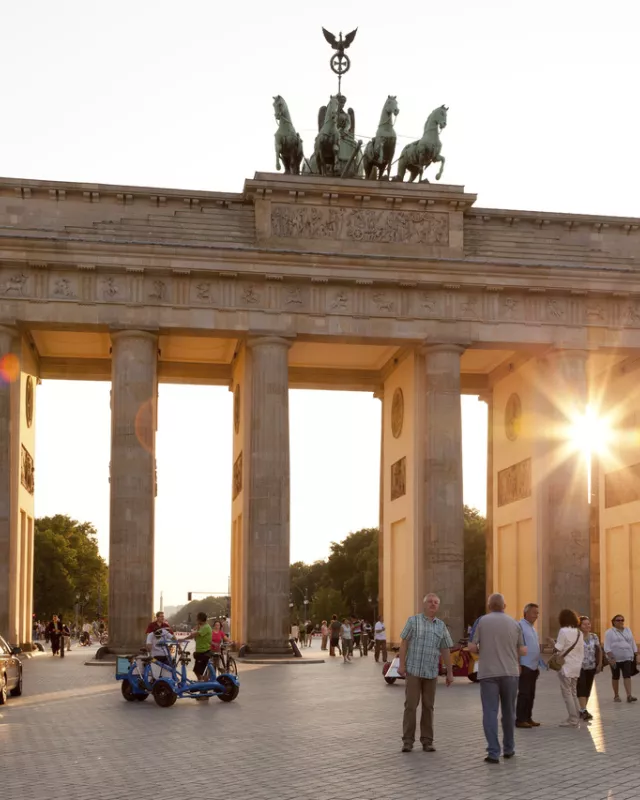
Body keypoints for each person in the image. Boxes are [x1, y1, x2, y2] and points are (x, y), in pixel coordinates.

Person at [469, 593, 526, 763]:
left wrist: (482, 650)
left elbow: (472, 646)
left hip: (488, 673)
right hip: (510, 672)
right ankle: (509, 749)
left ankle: (493, 752)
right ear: (504, 606)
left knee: (490, 712)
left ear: (489, 606)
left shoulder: (481, 621)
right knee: (509, 712)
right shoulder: (515, 624)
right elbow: (523, 650)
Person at [398, 593, 454, 753]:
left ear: (438, 606)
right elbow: (404, 643)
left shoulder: (441, 626)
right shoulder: (413, 621)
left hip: (431, 673)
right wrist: (401, 665)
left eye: (436, 602)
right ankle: (407, 741)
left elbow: (445, 649)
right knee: (410, 705)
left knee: (428, 707)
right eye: (430, 602)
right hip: (414, 670)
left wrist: (450, 672)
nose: (433, 604)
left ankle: (427, 741)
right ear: (424, 605)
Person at [550, 608, 585, 728]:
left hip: (565, 666)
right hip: (576, 666)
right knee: (573, 692)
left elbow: (558, 648)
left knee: (567, 693)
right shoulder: (579, 633)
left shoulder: (563, 631)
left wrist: (551, 643)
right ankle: (576, 716)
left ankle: (573, 718)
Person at [516, 603, 545, 728]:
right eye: (534, 613)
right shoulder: (520, 626)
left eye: (538, 613)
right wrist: (517, 663)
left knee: (531, 694)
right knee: (524, 693)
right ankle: (520, 719)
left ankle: (528, 717)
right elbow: (516, 645)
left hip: (533, 666)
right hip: (524, 665)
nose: (537, 615)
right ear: (526, 613)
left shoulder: (532, 628)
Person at [604, 614, 638, 703]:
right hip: (614, 658)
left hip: (627, 657)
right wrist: (611, 657)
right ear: (613, 622)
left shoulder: (627, 630)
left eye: (622, 620)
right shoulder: (609, 632)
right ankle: (616, 695)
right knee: (616, 676)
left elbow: (632, 642)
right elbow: (607, 646)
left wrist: (636, 654)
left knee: (627, 676)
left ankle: (629, 696)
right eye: (618, 620)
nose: (620, 622)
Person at [577, 615, 602, 720]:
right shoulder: (576, 636)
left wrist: (599, 664)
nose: (587, 626)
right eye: (585, 624)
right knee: (581, 687)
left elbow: (599, 650)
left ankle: (583, 709)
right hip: (579, 666)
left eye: (589, 624)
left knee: (588, 688)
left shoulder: (594, 636)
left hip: (591, 666)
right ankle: (583, 710)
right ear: (579, 626)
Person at [185, 612, 213, 690]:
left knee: (199, 671)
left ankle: (203, 688)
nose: (196, 620)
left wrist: (183, 639)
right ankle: (202, 686)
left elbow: (194, 635)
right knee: (199, 671)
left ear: (200, 619)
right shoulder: (202, 627)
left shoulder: (206, 627)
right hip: (200, 651)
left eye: (197, 619)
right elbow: (195, 637)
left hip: (204, 652)